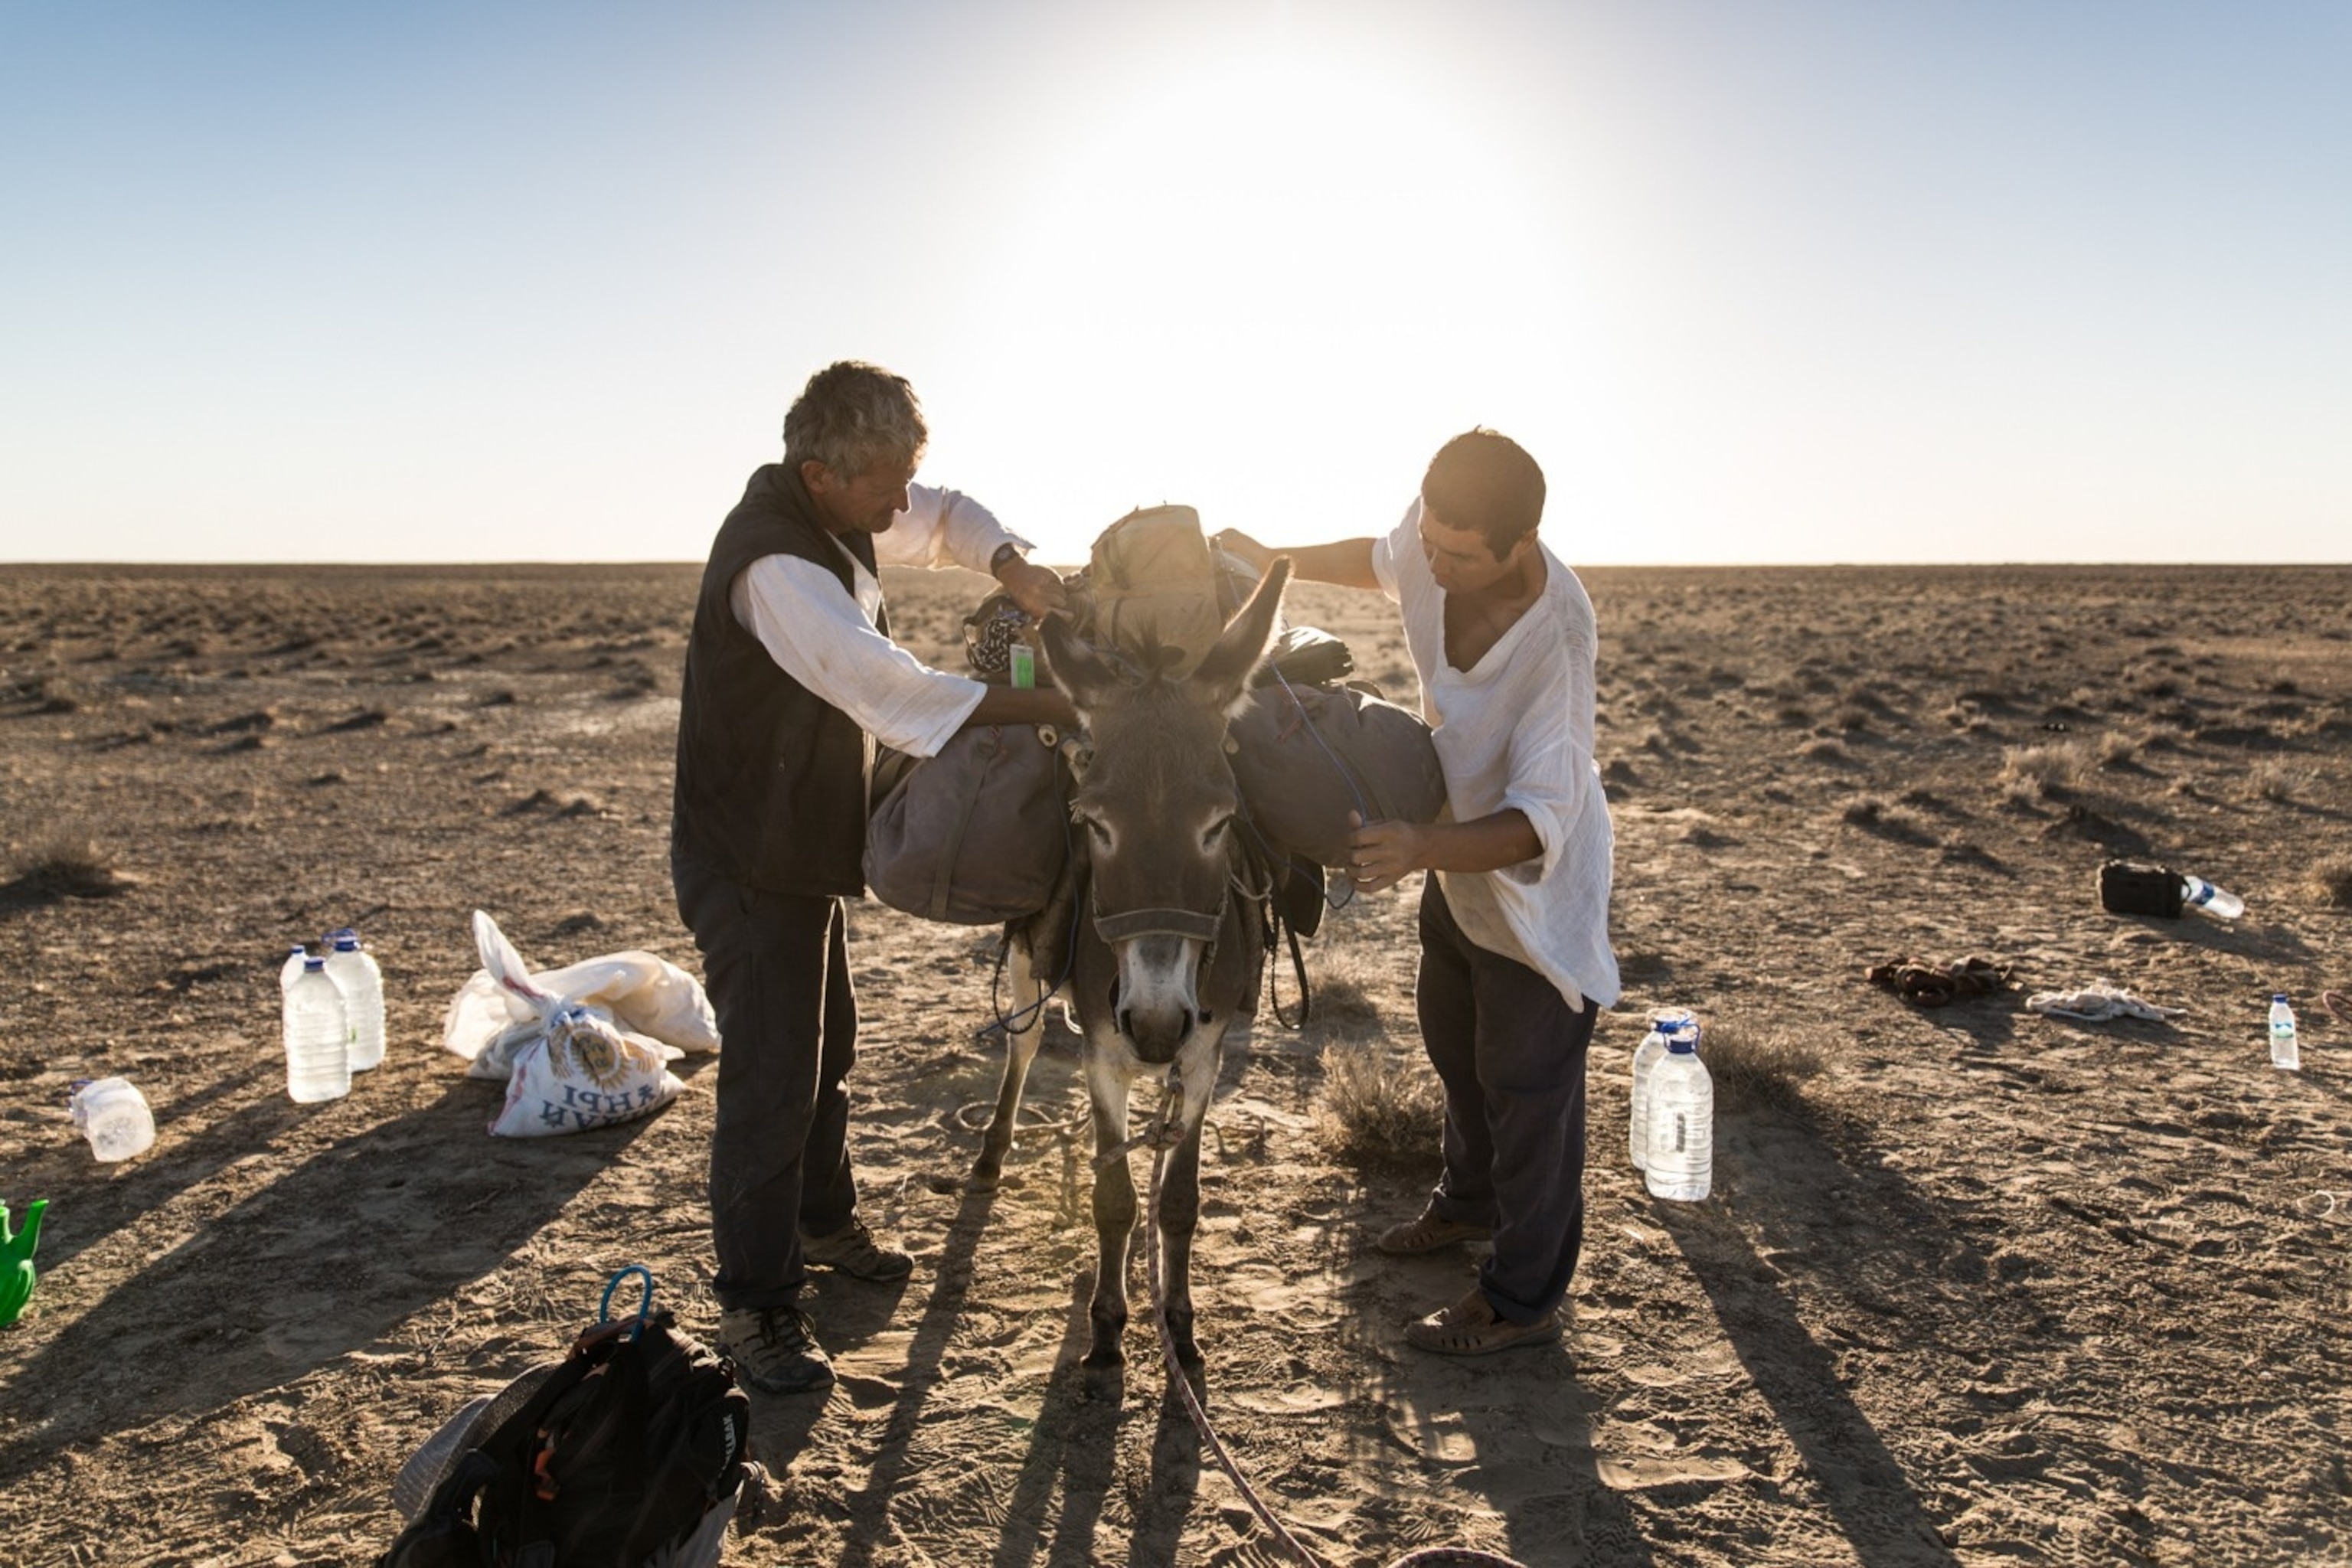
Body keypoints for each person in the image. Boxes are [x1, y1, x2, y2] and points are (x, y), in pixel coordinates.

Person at [671, 361, 1073, 1395]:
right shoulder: (777, 568)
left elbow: (944, 518)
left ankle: (822, 1221)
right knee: (770, 1073)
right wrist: (1049, 710)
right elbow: (891, 694)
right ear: (818, 474)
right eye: (882, 488)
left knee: (827, 1043)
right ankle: (757, 1305)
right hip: (749, 857)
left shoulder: (842, 507)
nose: (902, 507)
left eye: (906, 479)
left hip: (799, 843)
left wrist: (1015, 568)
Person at [1216, 428, 1619, 1356]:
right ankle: (1466, 1203)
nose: (1432, 562)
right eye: (1430, 539)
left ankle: (1520, 1300)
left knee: (1529, 1088)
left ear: (1519, 545)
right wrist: (1267, 557)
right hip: (1450, 864)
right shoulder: (1435, 541)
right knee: (1456, 1046)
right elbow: (1379, 558)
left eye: (1457, 552)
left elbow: (1539, 821)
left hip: (1525, 886)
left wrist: (1419, 845)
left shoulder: (1557, 641)